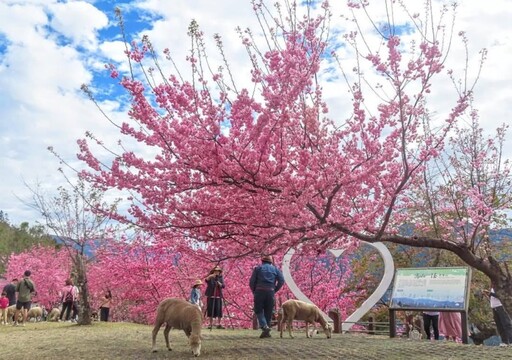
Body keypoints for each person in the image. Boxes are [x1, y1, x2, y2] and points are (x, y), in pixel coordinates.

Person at [249, 255, 285, 339]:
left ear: (262, 261)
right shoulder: (275, 269)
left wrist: (254, 291)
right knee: (268, 311)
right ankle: (266, 332)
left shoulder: (258, 268)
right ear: (271, 262)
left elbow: (251, 282)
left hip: (259, 291)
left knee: (258, 310)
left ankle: (265, 327)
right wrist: (274, 289)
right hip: (270, 292)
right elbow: (281, 280)